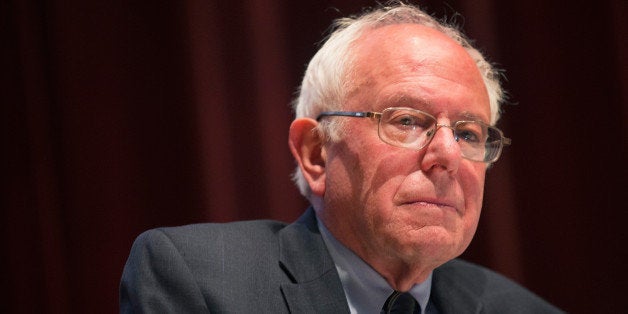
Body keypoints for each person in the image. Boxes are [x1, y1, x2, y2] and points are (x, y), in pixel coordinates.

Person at [120, 2, 563, 313]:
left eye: (468, 133)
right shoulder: (203, 282)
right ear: (316, 153)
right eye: (407, 120)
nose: (446, 154)